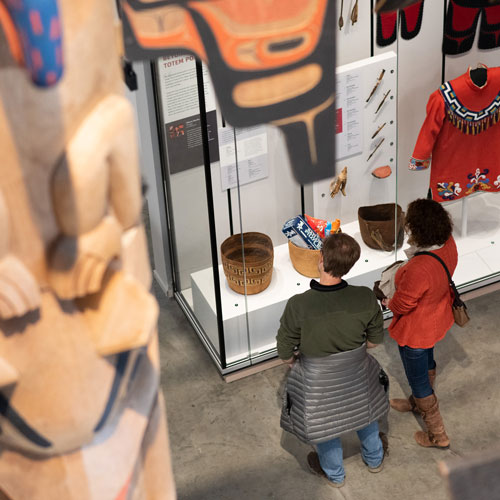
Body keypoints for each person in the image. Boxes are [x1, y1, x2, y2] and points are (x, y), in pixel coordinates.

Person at [277, 233, 389, 488]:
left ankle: (335, 475)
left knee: (323, 425)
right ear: (350, 264)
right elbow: (374, 342)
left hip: (317, 379)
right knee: (366, 413)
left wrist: (293, 363)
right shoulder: (364, 297)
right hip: (356, 371)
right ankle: (374, 459)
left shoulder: (299, 304)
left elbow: (284, 348)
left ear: (321, 259)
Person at [383, 198, 458, 449]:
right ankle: (416, 402)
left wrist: (387, 303)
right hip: (437, 318)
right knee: (428, 360)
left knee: (419, 381)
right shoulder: (448, 244)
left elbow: (403, 305)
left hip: (416, 330)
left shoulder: (419, 267)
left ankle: (437, 434)